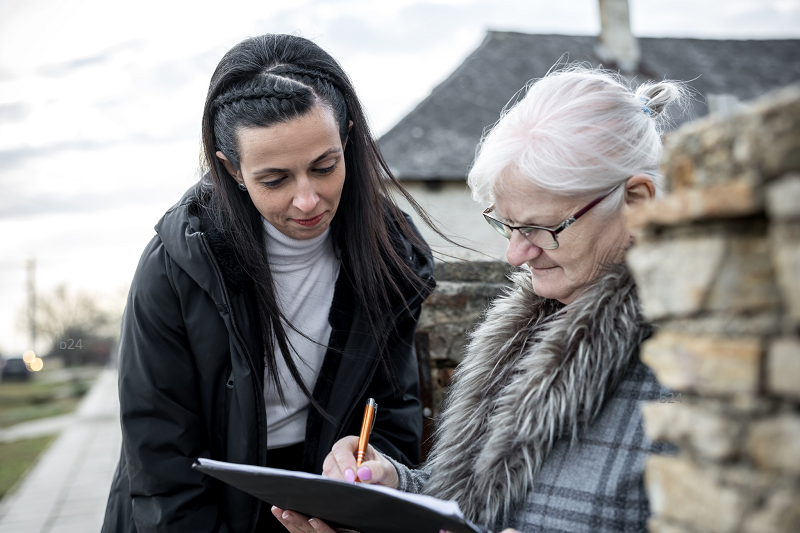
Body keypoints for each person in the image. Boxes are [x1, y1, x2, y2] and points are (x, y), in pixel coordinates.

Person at [273, 66, 686, 533]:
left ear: (637, 202)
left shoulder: (717, 366)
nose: (516, 255)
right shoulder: (533, 331)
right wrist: (395, 489)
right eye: (507, 226)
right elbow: (476, 505)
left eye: (540, 229)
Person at [101, 34, 439, 533]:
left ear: (347, 139)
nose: (308, 200)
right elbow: (160, 456)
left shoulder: (392, 254)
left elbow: (393, 412)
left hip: (324, 506)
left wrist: (367, 484)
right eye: (275, 180)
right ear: (232, 169)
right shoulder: (176, 265)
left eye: (325, 167)